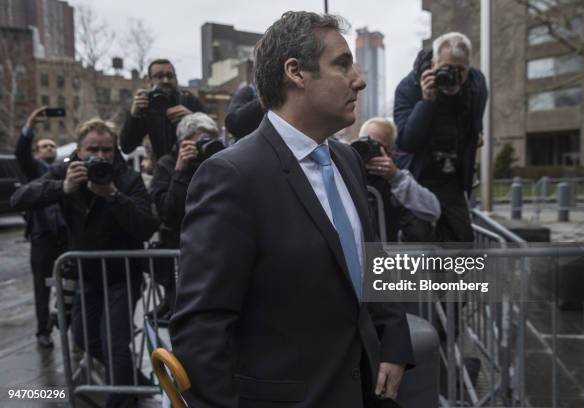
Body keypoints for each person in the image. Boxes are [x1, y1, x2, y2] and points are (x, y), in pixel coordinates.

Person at [170, 12, 413, 408]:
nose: (359, 79)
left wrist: (394, 344)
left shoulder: (347, 160)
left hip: (367, 391)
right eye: (342, 64)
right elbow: (201, 328)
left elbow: (372, 263)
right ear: (296, 72)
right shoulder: (231, 176)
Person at [11, 118, 158, 408]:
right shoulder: (66, 172)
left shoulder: (127, 178)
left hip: (121, 275)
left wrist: (113, 196)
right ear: (79, 151)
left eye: (107, 150)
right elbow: (19, 199)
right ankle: (134, 383)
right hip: (86, 276)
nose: (100, 157)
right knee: (83, 338)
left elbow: (146, 225)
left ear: (115, 150)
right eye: (93, 149)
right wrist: (63, 188)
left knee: (114, 342)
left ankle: (122, 400)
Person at [393, 32, 488, 242]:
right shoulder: (410, 87)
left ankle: (456, 276)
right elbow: (407, 141)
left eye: (460, 70)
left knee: (463, 242)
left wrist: (474, 133)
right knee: (419, 240)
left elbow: (475, 126)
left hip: (453, 180)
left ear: (469, 66)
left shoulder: (475, 84)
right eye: (445, 67)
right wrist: (426, 101)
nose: (452, 75)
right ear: (434, 63)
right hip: (418, 177)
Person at [150, 112, 221, 320]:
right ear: (184, 142)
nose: (205, 145)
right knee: (183, 313)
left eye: (210, 139)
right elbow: (169, 212)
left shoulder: (216, 161)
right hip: (179, 255)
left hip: (213, 251)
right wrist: (180, 171)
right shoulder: (166, 165)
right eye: (200, 139)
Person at [13, 106, 68, 349]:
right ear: (36, 151)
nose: (49, 149)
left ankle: (63, 318)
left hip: (64, 236)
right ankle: (43, 330)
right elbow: (21, 152)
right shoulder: (33, 169)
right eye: (44, 146)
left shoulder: (63, 171)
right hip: (42, 237)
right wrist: (31, 124)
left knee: (70, 282)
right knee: (42, 287)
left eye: (52, 146)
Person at [358, 117, 440, 241]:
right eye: (363, 143)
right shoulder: (345, 169)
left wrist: (395, 177)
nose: (367, 150)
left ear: (390, 152)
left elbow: (433, 210)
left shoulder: (396, 179)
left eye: (375, 145)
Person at [120, 58, 205, 160]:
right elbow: (127, 147)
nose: (166, 80)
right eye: (159, 76)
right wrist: (134, 115)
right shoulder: (147, 105)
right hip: (163, 170)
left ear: (176, 78)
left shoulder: (189, 100)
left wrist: (191, 119)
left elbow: (210, 134)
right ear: (149, 81)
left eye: (170, 76)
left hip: (192, 167)